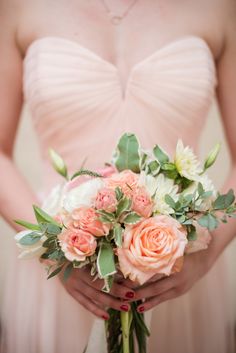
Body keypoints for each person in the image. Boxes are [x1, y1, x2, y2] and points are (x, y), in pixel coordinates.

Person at [0, 0, 235, 352]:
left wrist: (206, 254)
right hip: (61, 275)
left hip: (181, 275)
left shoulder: (221, 7)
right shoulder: (15, 7)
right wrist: (53, 252)